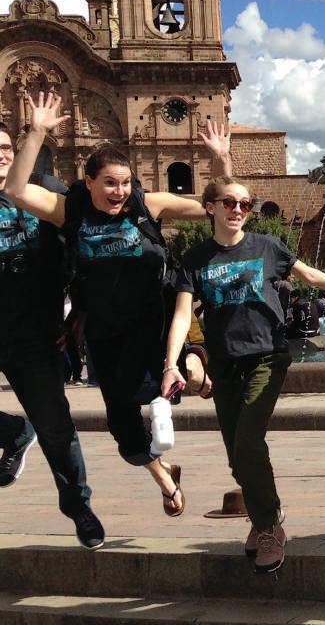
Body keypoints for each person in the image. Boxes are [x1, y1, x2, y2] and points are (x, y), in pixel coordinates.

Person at [4, 92, 227, 522]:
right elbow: (15, 189)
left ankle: (197, 376)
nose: (119, 191)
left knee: (179, 375)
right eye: (109, 182)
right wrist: (36, 133)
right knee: (124, 433)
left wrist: (220, 158)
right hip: (105, 333)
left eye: (125, 182)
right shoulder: (68, 211)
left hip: (154, 322)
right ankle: (165, 477)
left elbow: (216, 206)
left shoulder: (147, 205)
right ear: (88, 181)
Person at [163, 177, 325, 573]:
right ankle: (261, 522)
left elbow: (309, 275)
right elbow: (182, 315)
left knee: (248, 441)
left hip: (266, 358)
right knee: (237, 456)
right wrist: (172, 363)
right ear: (210, 207)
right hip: (224, 364)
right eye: (229, 202)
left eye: (245, 204)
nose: (238, 210)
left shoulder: (267, 246)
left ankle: (270, 526)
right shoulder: (195, 259)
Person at [0, 118, 104, 549]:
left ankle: (79, 508)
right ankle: (12, 431)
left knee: (56, 428)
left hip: (36, 332)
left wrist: (80, 309)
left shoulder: (43, 193)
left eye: (6, 148)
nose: (1, 156)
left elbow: (85, 247)